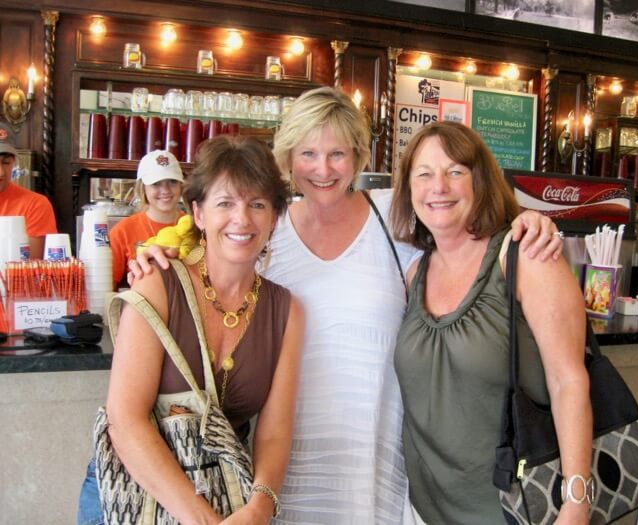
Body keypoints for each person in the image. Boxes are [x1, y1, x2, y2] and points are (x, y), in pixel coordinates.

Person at [131, 87, 564, 524]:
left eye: (338, 153)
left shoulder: (395, 215)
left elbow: (466, 228)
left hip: (376, 458)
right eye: (308, 153)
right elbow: (199, 235)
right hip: (279, 464)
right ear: (288, 156)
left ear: (359, 157)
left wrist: (525, 220)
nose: (323, 169)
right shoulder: (264, 224)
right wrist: (155, 250)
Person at [77, 135, 304, 525]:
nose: (242, 219)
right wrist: (199, 518)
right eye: (225, 203)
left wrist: (260, 507)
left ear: (275, 217)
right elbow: (125, 419)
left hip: (223, 493)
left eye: (258, 204)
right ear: (198, 213)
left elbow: (274, 432)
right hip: (135, 493)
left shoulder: (286, 311)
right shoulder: (158, 284)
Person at [390, 121, 591, 524]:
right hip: (423, 509)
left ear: (480, 180)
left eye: (455, 172)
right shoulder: (415, 275)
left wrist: (576, 501)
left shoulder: (525, 256)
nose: (438, 187)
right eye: (424, 174)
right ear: (409, 189)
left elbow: (569, 380)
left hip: (513, 508)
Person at [109, 149, 185, 289]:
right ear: (142, 188)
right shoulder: (122, 232)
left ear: (181, 186)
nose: (165, 190)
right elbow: (107, 288)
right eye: (156, 183)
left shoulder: (196, 227)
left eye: (172, 182)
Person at [0, 137, 57, 259]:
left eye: (6, 163)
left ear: (13, 163)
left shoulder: (35, 204)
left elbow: (28, 266)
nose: (1, 173)